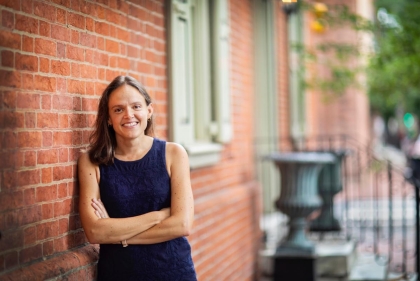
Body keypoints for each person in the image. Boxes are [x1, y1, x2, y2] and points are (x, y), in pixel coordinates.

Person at [78, 75, 197, 280]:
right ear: (108, 118)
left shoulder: (174, 154)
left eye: (136, 106)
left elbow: (182, 224)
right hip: (118, 274)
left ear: (148, 111)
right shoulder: (92, 162)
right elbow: (95, 232)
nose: (128, 115)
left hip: (173, 272)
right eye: (118, 109)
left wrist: (118, 236)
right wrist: (159, 216)